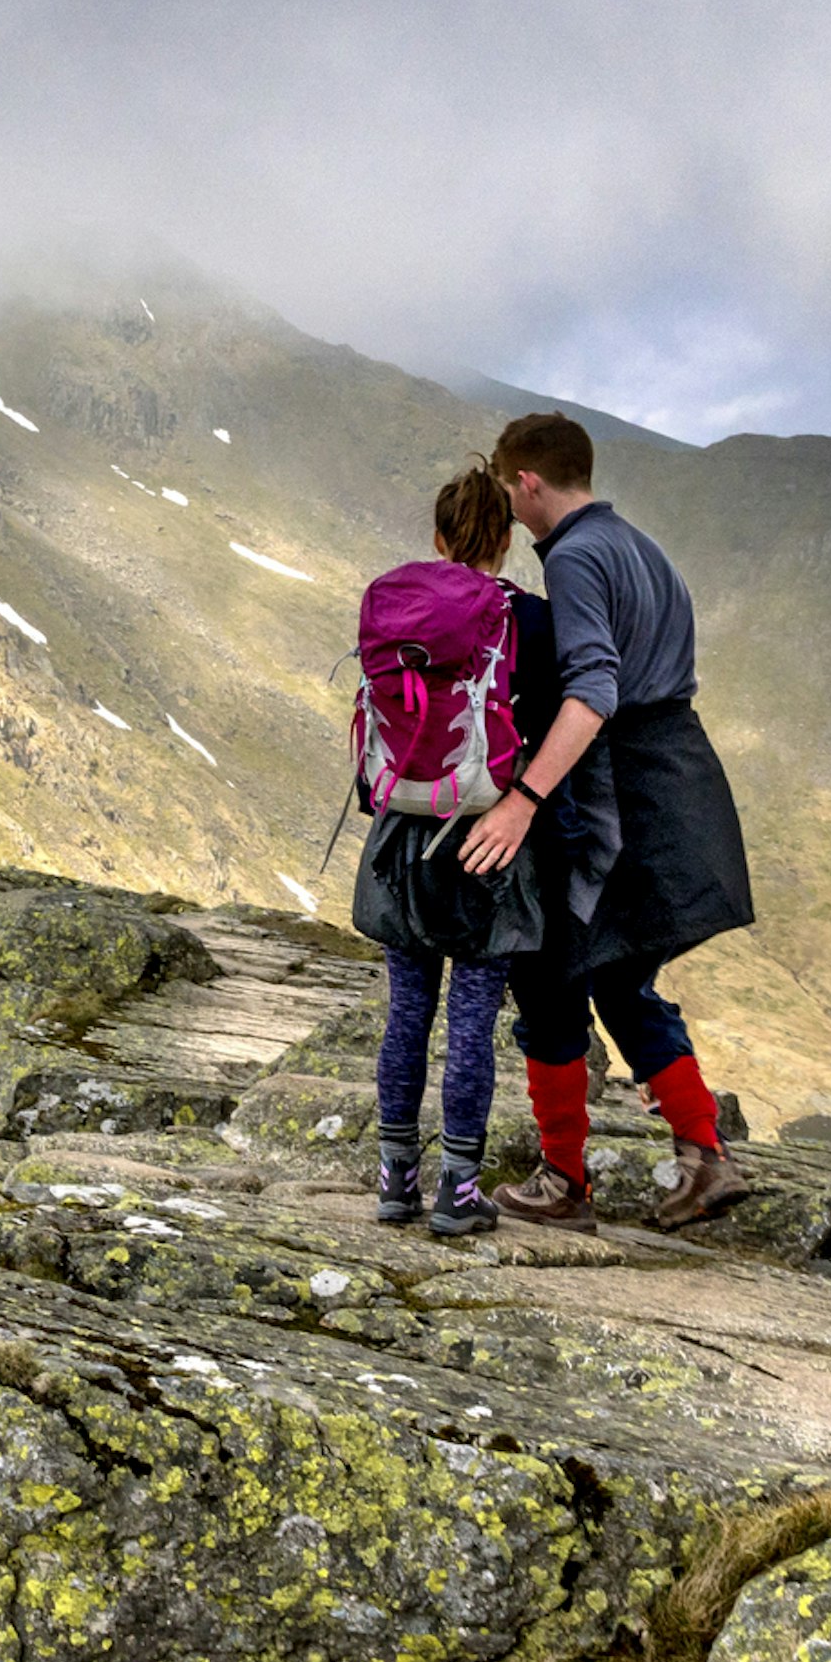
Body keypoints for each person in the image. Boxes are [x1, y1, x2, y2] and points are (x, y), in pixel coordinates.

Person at [459, 411, 756, 1229]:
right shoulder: (641, 546)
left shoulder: (581, 557)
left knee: (550, 976)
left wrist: (524, 801)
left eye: (511, 496)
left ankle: (563, 1183)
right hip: (680, 784)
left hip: (620, 797)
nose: (514, 520)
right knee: (622, 978)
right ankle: (706, 1158)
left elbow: (593, 690)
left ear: (527, 482)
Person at [349, 467, 545, 1238]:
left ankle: (396, 1177)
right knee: (470, 1022)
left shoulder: (395, 602)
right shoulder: (522, 617)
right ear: (504, 541)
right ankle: (458, 1191)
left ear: (437, 536)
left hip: (401, 828)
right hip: (487, 837)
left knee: (407, 1014)